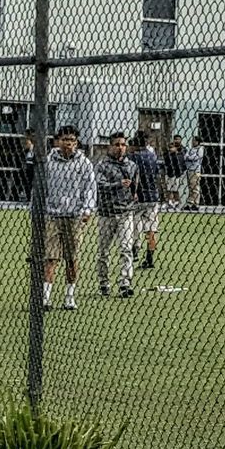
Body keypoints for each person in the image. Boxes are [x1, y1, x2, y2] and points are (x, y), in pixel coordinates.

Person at [42, 125, 95, 311]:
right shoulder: (49, 161)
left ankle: (69, 296)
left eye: (72, 140)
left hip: (74, 215)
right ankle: (46, 297)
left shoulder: (84, 163)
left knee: (72, 258)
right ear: (58, 141)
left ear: (77, 143)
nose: (69, 144)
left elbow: (90, 188)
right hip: (53, 214)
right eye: (65, 140)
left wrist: (87, 209)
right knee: (51, 256)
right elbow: (41, 187)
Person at [95, 132, 137, 298]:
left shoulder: (132, 166)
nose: (120, 148)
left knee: (126, 248)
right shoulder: (102, 165)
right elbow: (99, 185)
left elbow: (135, 187)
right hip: (107, 212)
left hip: (126, 211)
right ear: (110, 146)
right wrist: (117, 184)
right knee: (103, 251)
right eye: (117, 144)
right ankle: (103, 282)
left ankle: (125, 283)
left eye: (123, 145)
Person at [129, 132, 162, 270]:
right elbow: (157, 174)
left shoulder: (133, 158)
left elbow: (131, 176)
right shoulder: (152, 156)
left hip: (139, 196)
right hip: (152, 196)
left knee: (134, 225)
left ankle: (135, 250)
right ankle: (149, 258)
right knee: (151, 229)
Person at [162, 140, 187, 210]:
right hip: (169, 173)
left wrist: (178, 174)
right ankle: (170, 202)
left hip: (176, 175)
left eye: (172, 147)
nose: (170, 149)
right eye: (169, 148)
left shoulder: (179, 155)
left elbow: (181, 166)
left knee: (175, 190)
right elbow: (166, 162)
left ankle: (178, 202)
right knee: (169, 189)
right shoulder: (168, 155)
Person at [183, 137, 204, 211]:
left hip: (196, 170)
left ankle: (195, 203)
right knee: (190, 187)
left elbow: (195, 158)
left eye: (194, 141)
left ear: (198, 142)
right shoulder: (191, 149)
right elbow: (185, 156)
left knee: (195, 187)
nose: (193, 142)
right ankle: (191, 203)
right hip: (189, 169)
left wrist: (189, 157)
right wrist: (189, 157)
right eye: (192, 141)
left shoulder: (200, 149)